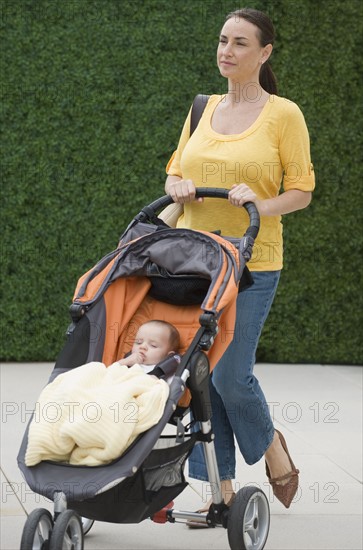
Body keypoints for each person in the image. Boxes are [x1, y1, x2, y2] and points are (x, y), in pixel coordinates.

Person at [165, 7, 315, 513]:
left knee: (230, 375)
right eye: (223, 40)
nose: (226, 51)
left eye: (240, 43)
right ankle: (221, 492)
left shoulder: (283, 114)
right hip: (194, 260)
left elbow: (301, 190)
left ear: (265, 52)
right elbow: (172, 174)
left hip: (253, 261)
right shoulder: (201, 109)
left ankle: (270, 442)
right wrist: (179, 186)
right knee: (198, 374)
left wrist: (259, 200)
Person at [25, 320, 181, 467]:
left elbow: (155, 394)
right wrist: (126, 362)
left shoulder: (165, 373)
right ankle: (57, 437)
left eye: (153, 345)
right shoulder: (129, 363)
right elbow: (109, 373)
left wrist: (153, 380)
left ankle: (88, 436)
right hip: (105, 390)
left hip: (122, 399)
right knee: (87, 374)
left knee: (112, 404)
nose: (143, 347)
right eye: (138, 342)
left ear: (168, 355)